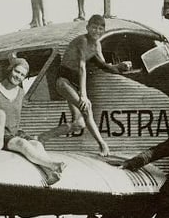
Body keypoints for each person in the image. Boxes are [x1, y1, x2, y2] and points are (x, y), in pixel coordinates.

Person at [44, 15, 132, 156]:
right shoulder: (83, 41)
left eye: (100, 28)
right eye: (94, 27)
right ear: (87, 28)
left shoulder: (97, 44)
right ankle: (103, 145)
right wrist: (84, 95)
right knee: (87, 109)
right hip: (64, 82)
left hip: (74, 84)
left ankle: (41, 138)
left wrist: (121, 66)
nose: (96, 31)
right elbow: (81, 67)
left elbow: (103, 65)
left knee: (79, 123)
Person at [0, 55, 65, 185]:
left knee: (37, 145)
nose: (18, 76)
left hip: (14, 132)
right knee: (22, 144)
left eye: (22, 75)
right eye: (16, 71)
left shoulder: (21, 92)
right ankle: (53, 165)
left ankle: (50, 173)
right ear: (10, 69)